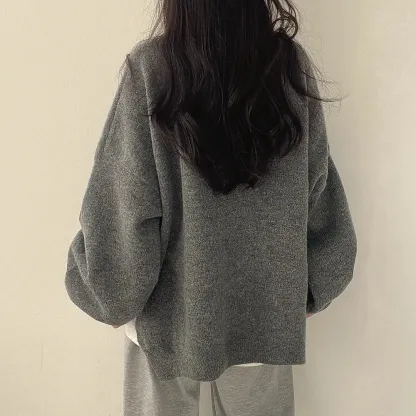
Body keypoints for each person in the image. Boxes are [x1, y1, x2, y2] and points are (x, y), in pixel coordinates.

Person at [64, 0, 357, 414]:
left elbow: (126, 203)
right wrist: (312, 287)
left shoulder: (151, 69)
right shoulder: (288, 67)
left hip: (168, 314)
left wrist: (108, 293)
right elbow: (317, 188)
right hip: (263, 309)